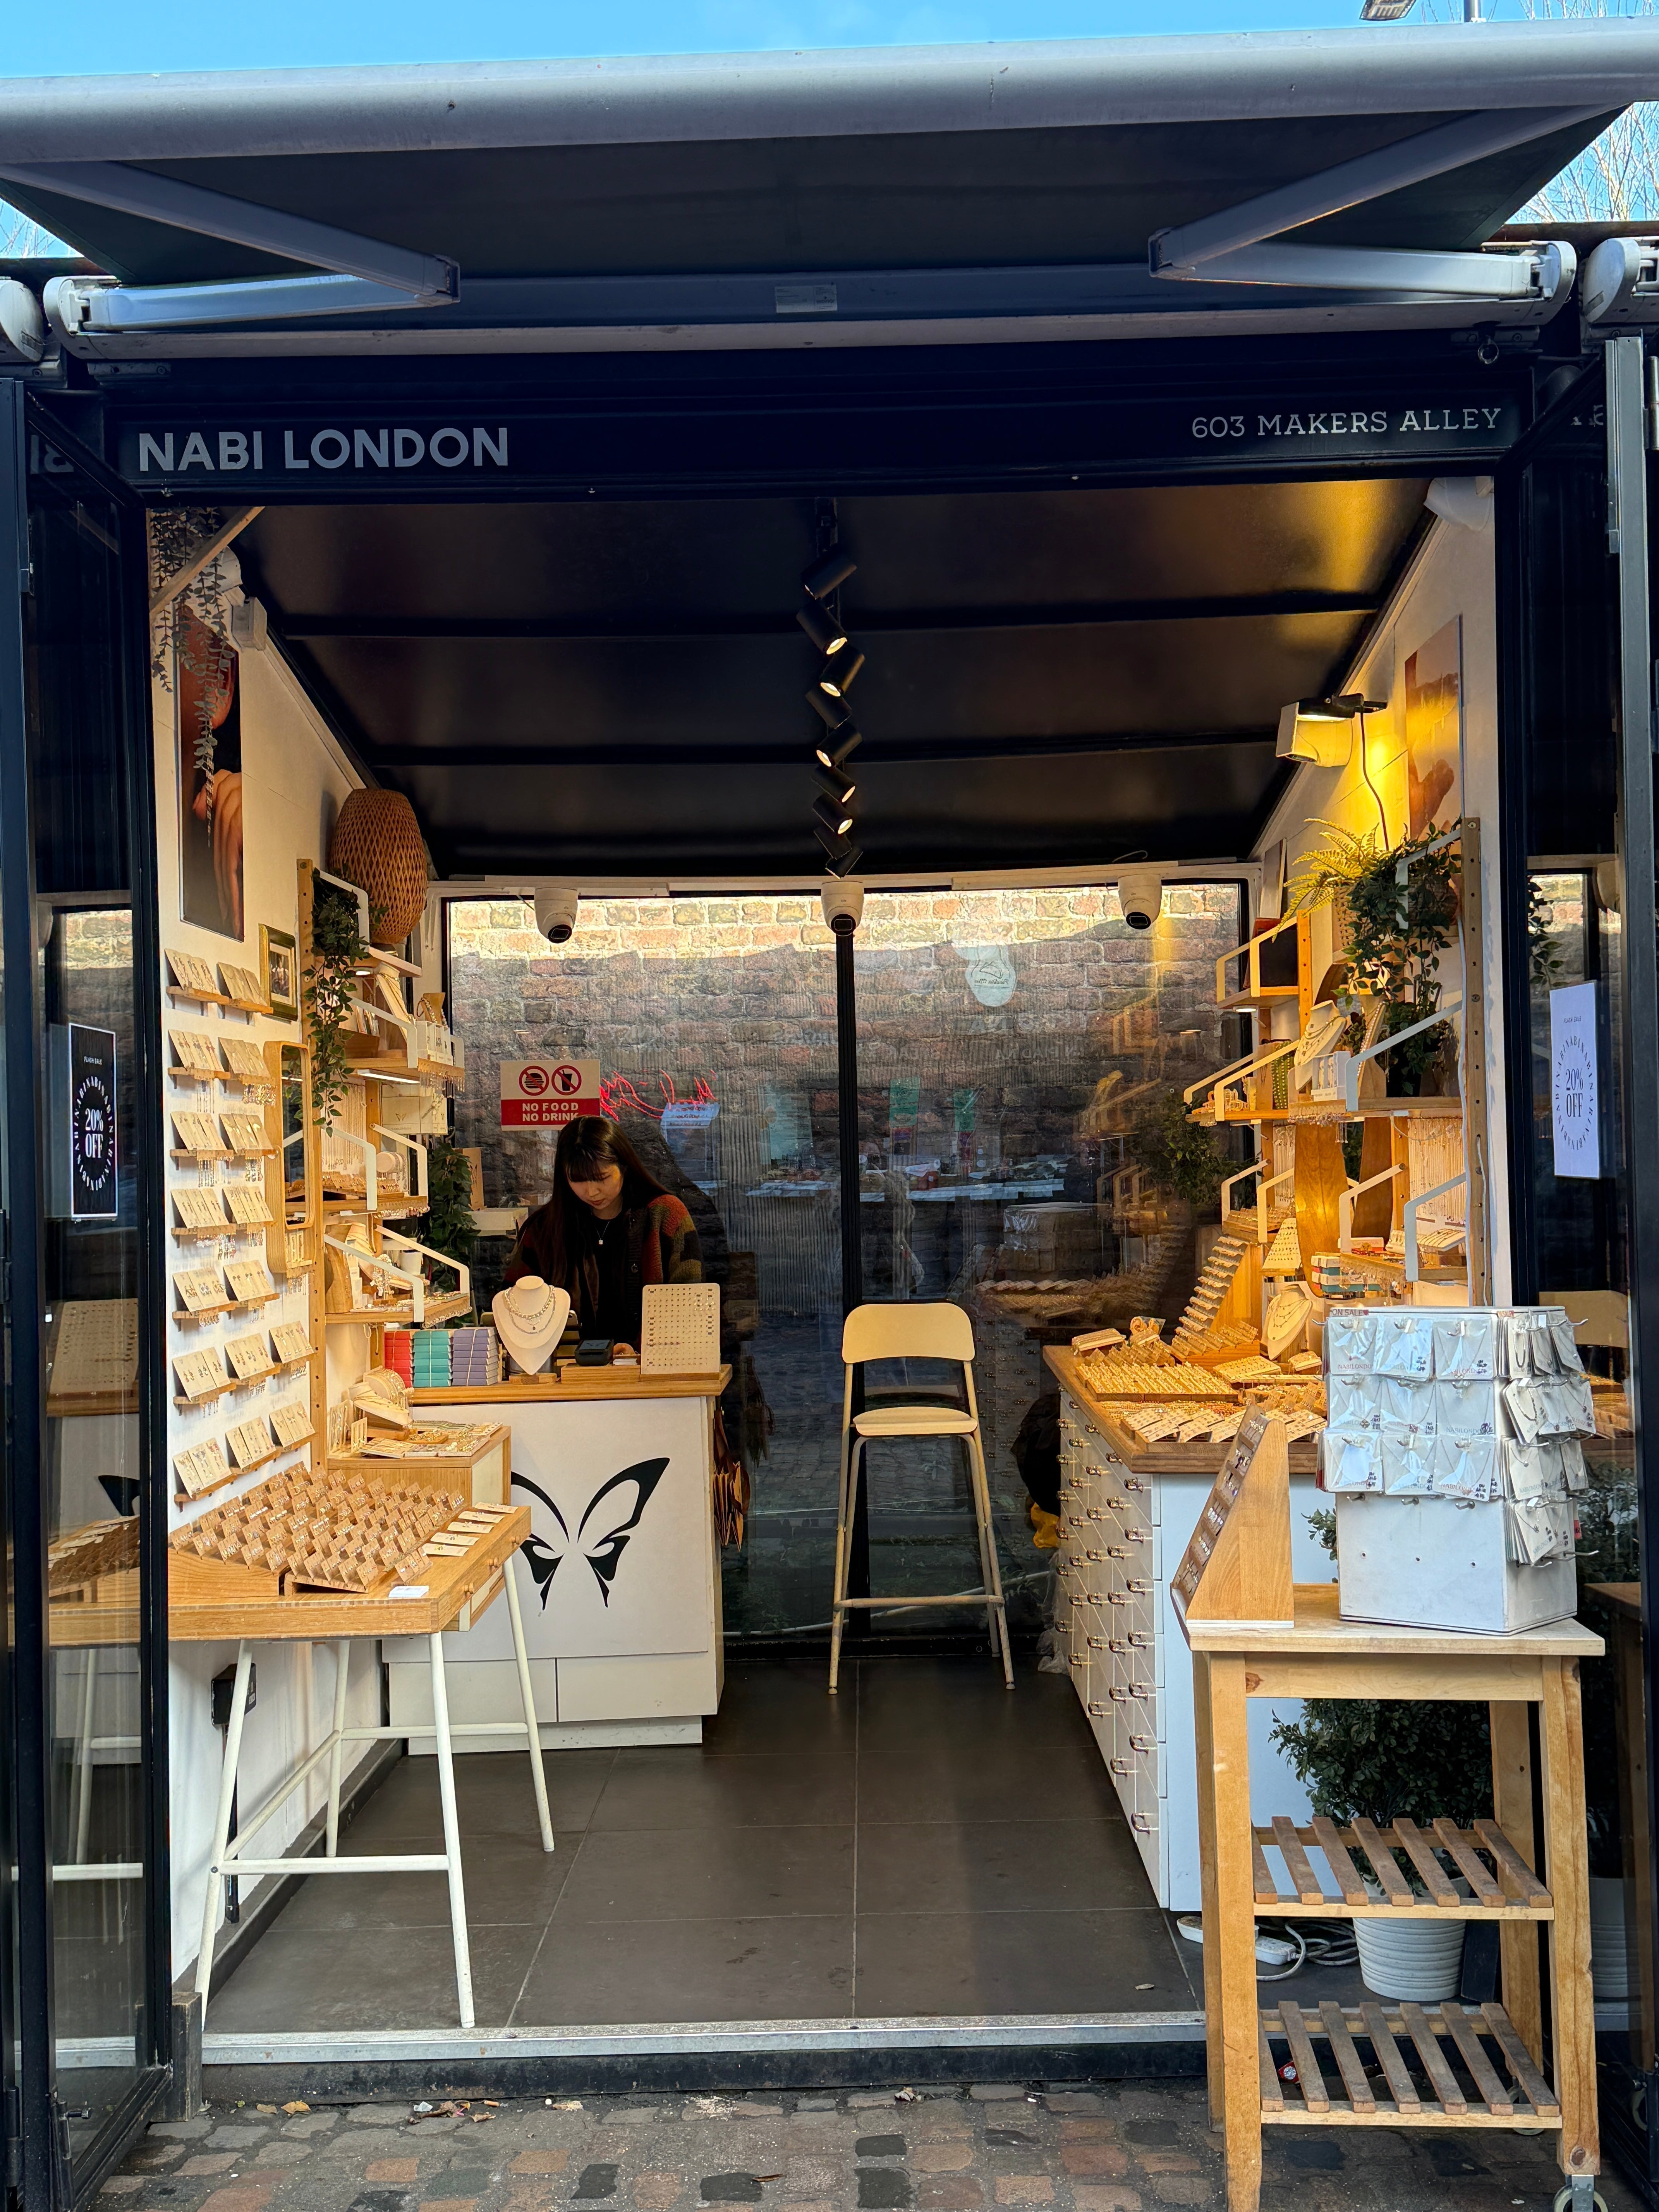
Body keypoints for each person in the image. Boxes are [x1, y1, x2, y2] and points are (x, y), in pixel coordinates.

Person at [503, 1115, 701, 1345]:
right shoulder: (545, 1229)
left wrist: (643, 1351)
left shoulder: (665, 1216)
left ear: (624, 1166)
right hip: (566, 1373)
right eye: (578, 1180)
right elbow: (511, 1305)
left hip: (651, 1370)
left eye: (602, 1178)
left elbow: (691, 1304)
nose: (592, 1192)